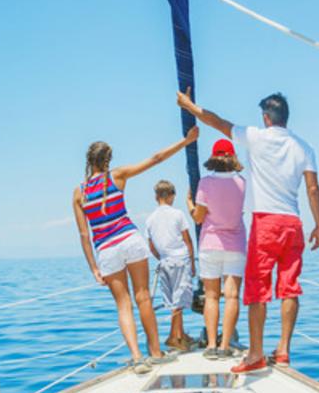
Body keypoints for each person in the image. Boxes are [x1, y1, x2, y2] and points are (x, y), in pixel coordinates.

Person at [177, 89, 319, 374]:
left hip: (265, 222)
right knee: (290, 287)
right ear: (285, 117)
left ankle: (255, 354)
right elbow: (313, 188)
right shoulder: (304, 148)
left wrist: (190, 107)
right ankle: (283, 350)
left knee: (258, 289)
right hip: (293, 222)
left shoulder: (256, 136)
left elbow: (217, 122)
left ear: (266, 117)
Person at [72, 127, 199, 374]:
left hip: (106, 250)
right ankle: (156, 353)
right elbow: (156, 158)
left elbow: (84, 235)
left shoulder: (79, 193)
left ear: (89, 161)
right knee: (143, 297)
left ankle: (137, 358)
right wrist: (186, 141)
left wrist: (94, 268)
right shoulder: (117, 176)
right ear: (108, 160)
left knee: (124, 305)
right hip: (130, 240)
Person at [186, 138, 247, 360]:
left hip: (210, 244)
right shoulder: (241, 182)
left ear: (213, 157)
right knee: (232, 296)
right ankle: (224, 346)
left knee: (211, 296)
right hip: (236, 245)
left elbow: (199, 217)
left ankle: (211, 346)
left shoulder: (205, 183)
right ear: (233, 157)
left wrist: (190, 203)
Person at [145, 179, 196, 354]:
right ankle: (173, 337)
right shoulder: (178, 214)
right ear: (171, 196)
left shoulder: (150, 219)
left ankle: (180, 334)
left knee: (174, 300)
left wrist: (162, 258)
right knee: (179, 301)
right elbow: (188, 240)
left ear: (156, 197)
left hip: (164, 262)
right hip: (180, 260)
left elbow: (151, 246)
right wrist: (192, 263)